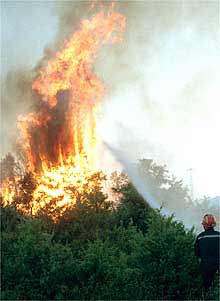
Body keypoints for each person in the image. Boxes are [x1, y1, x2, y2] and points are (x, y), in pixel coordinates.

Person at [195, 214, 220, 291]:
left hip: (206, 267)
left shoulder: (200, 237)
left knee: (207, 288)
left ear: (204, 225)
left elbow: (197, 254)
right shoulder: (219, 235)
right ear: (213, 225)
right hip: (218, 265)